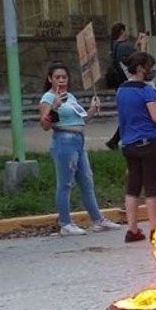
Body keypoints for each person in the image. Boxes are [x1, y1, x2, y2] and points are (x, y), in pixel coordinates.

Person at [39, 62, 121, 236]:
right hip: (64, 141)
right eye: (57, 77)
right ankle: (65, 223)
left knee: (86, 181)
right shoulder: (48, 98)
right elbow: (45, 125)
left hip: (79, 140)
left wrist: (92, 109)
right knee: (65, 183)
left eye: (64, 77)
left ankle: (97, 219)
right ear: (50, 79)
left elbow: (80, 120)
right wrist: (54, 107)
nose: (61, 80)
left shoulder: (70, 97)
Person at [115, 51, 156, 243]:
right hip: (149, 142)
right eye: (149, 67)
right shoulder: (146, 90)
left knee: (133, 186)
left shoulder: (121, 90)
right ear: (140, 69)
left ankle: (133, 229)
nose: (151, 71)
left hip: (129, 143)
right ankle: (155, 228)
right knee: (151, 186)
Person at [105, 23, 149, 149]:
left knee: (126, 114)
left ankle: (114, 141)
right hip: (130, 85)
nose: (128, 33)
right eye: (126, 30)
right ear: (122, 31)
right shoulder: (124, 47)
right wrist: (143, 46)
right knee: (131, 114)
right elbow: (140, 61)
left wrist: (137, 44)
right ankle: (119, 141)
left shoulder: (115, 46)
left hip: (120, 85)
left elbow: (130, 57)